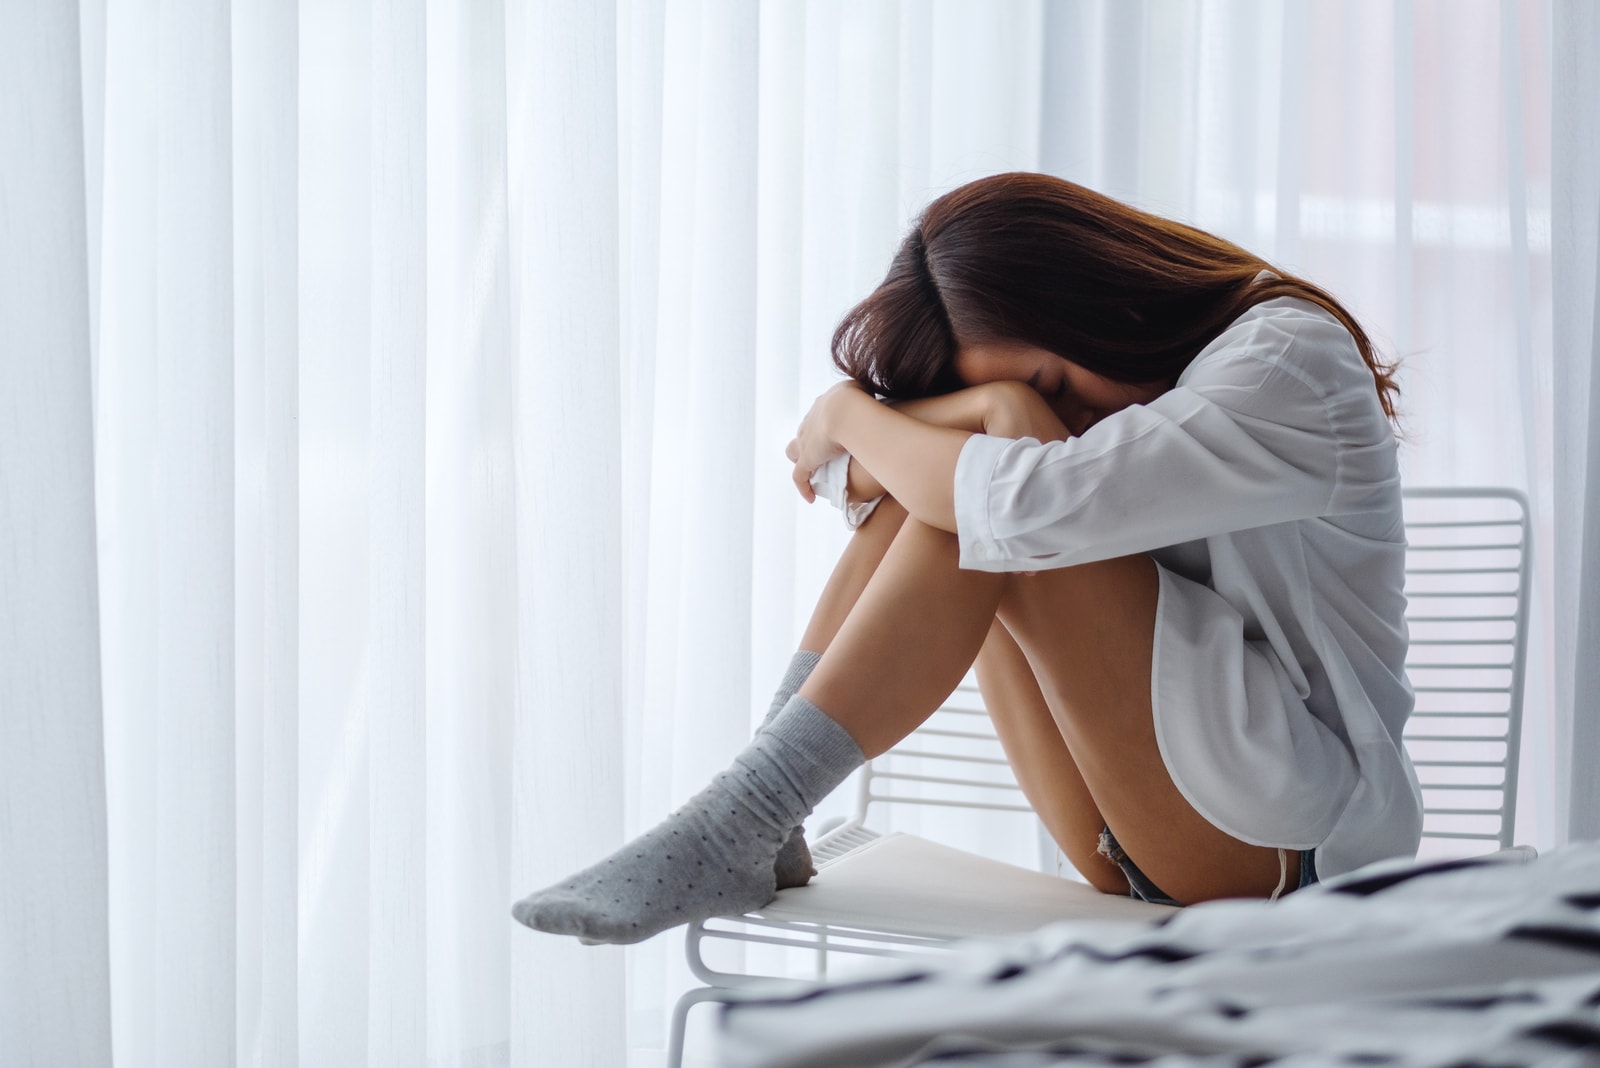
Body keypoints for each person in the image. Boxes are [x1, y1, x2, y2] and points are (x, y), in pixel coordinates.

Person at [512, 172, 1421, 945]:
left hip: (1297, 848)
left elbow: (989, 496)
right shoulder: (1117, 419)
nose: (1061, 413)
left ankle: (744, 816)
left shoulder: (1284, 358)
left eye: (1054, 382)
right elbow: (882, 488)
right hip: (1145, 833)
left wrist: (844, 411)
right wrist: (990, 412)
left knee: (998, 508)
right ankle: (763, 821)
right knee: (974, 494)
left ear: (1101, 300)